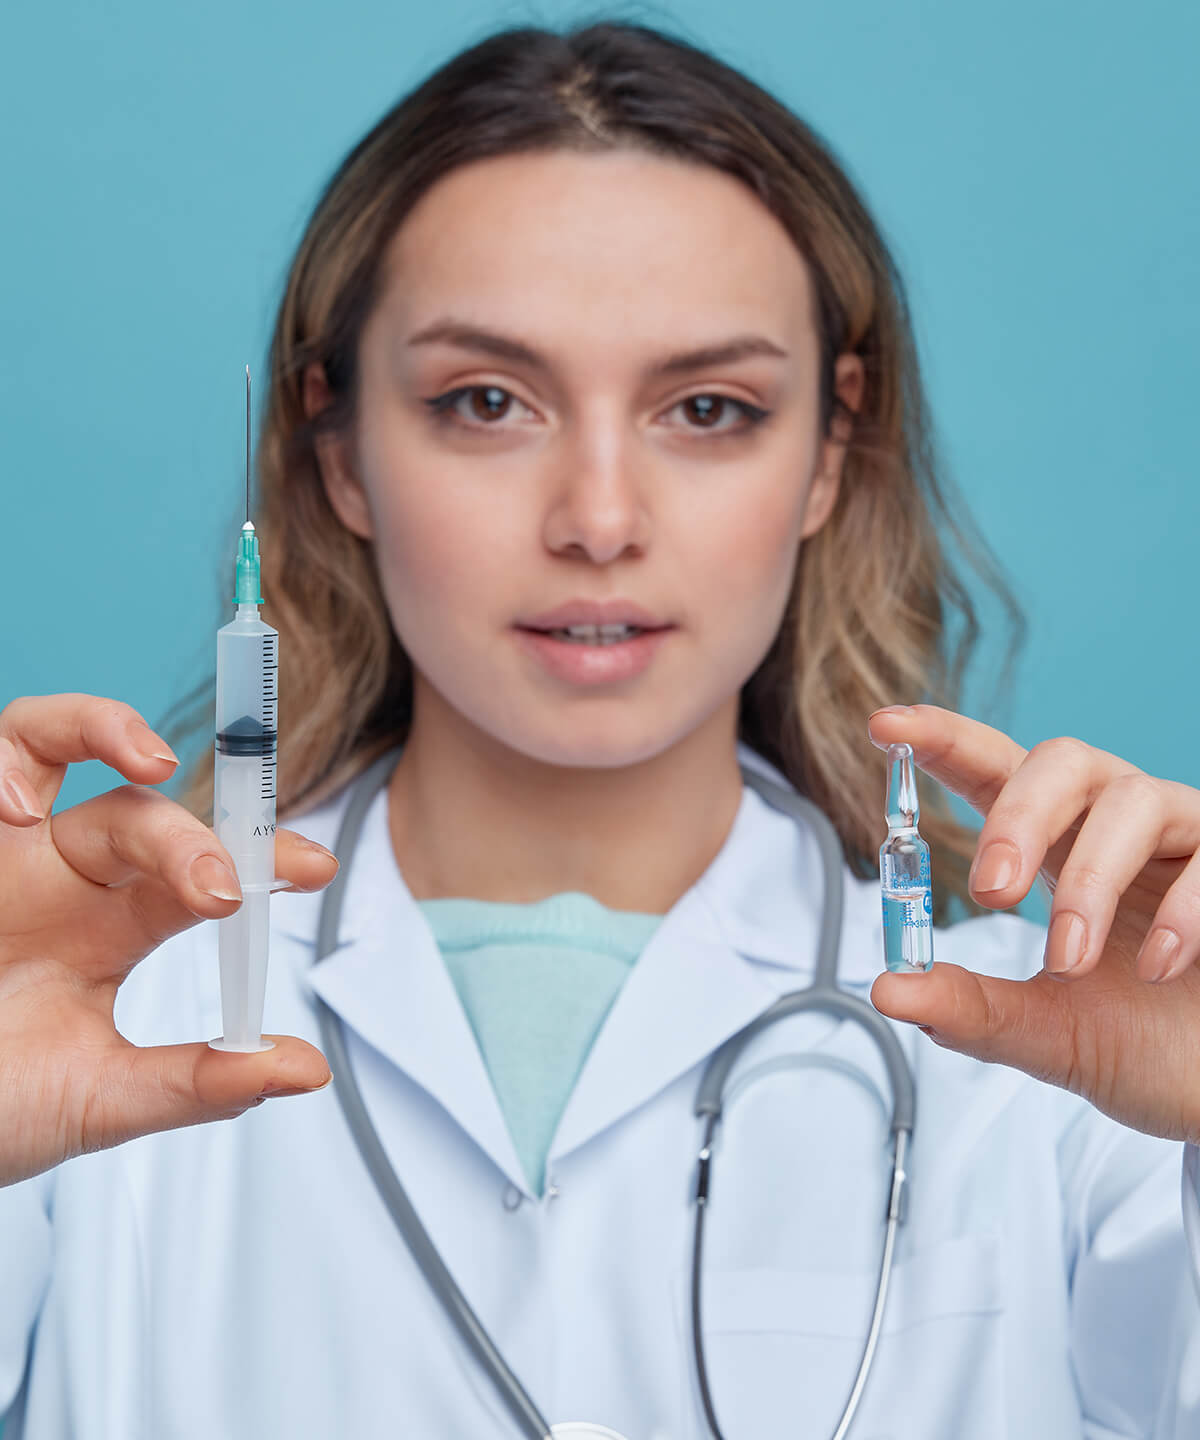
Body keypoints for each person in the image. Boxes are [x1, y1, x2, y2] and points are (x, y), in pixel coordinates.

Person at [0, 18, 1197, 1439]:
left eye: (707, 407)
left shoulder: (1077, 1065)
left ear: (830, 451)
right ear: (340, 453)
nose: (601, 522)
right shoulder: (94, 1020)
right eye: (487, 402)